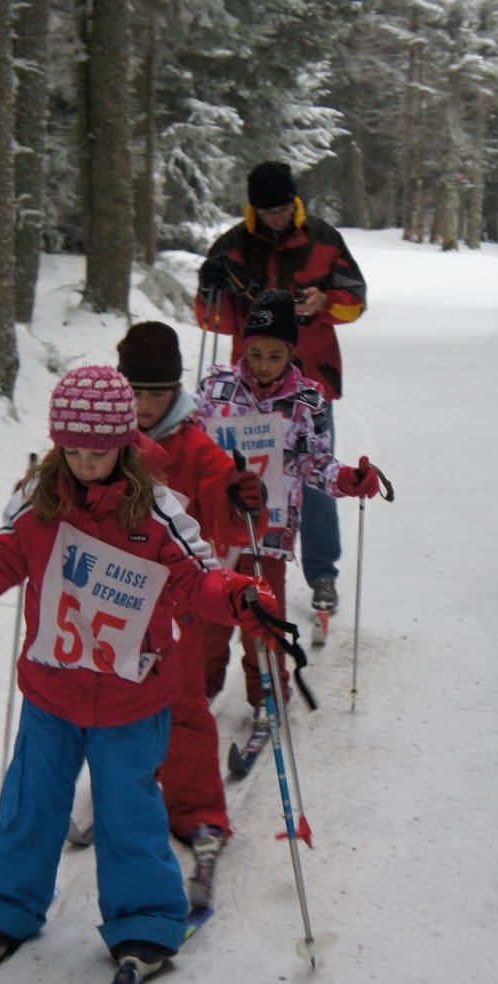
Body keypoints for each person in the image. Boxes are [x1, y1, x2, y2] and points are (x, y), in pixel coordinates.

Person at [0, 365, 286, 979]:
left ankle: (144, 920)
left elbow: (196, 579)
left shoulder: (157, 512)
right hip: (52, 693)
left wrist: (239, 597)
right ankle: (6, 908)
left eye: (98, 451)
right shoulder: (38, 503)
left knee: (128, 813)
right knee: (29, 805)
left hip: (132, 700)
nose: (85, 463)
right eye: (72, 450)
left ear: (123, 444)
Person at [114, 322, 265, 901]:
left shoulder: (195, 447)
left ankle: (199, 809)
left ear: (175, 390)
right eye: (135, 392)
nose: (145, 405)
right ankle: (122, 794)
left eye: (157, 393)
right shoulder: (101, 442)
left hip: (175, 604)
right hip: (109, 599)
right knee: (108, 705)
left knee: (183, 704)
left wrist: (241, 498)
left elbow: (232, 523)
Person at [194, 290, 382, 711]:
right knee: (209, 621)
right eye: (255, 353)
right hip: (216, 529)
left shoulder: (307, 401)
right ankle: (197, 697)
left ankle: (268, 695)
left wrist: (347, 479)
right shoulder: (216, 389)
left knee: (262, 619)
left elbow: (315, 463)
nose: (263, 365)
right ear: (243, 347)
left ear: (291, 352)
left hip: (271, 530)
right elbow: (187, 442)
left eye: (275, 356)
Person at [195, 160, 368, 617]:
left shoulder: (324, 239)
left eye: (283, 209)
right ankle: (234, 561)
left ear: (295, 202)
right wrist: (208, 289)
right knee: (241, 479)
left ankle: (322, 572)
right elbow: (212, 320)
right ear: (254, 209)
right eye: (268, 211)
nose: (276, 218)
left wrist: (325, 302)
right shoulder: (233, 246)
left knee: (313, 472)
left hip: (312, 383)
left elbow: (357, 301)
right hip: (249, 390)